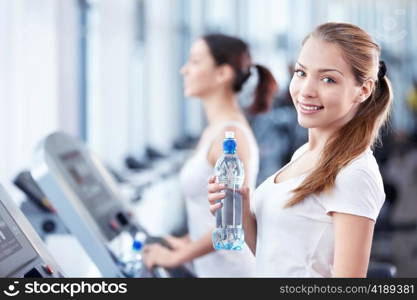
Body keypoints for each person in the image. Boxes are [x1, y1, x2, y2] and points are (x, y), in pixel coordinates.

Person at [209, 22, 393, 277]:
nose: (306, 91)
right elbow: (275, 257)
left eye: (328, 79)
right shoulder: (304, 153)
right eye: (301, 73)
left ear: (363, 90)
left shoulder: (354, 174)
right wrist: (241, 209)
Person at [143, 33, 278, 277]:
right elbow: (208, 212)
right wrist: (186, 241)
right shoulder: (216, 130)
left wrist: (175, 257)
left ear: (222, 73)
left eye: (194, 61)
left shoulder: (230, 135)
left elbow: (234, 219)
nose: (185, 70)